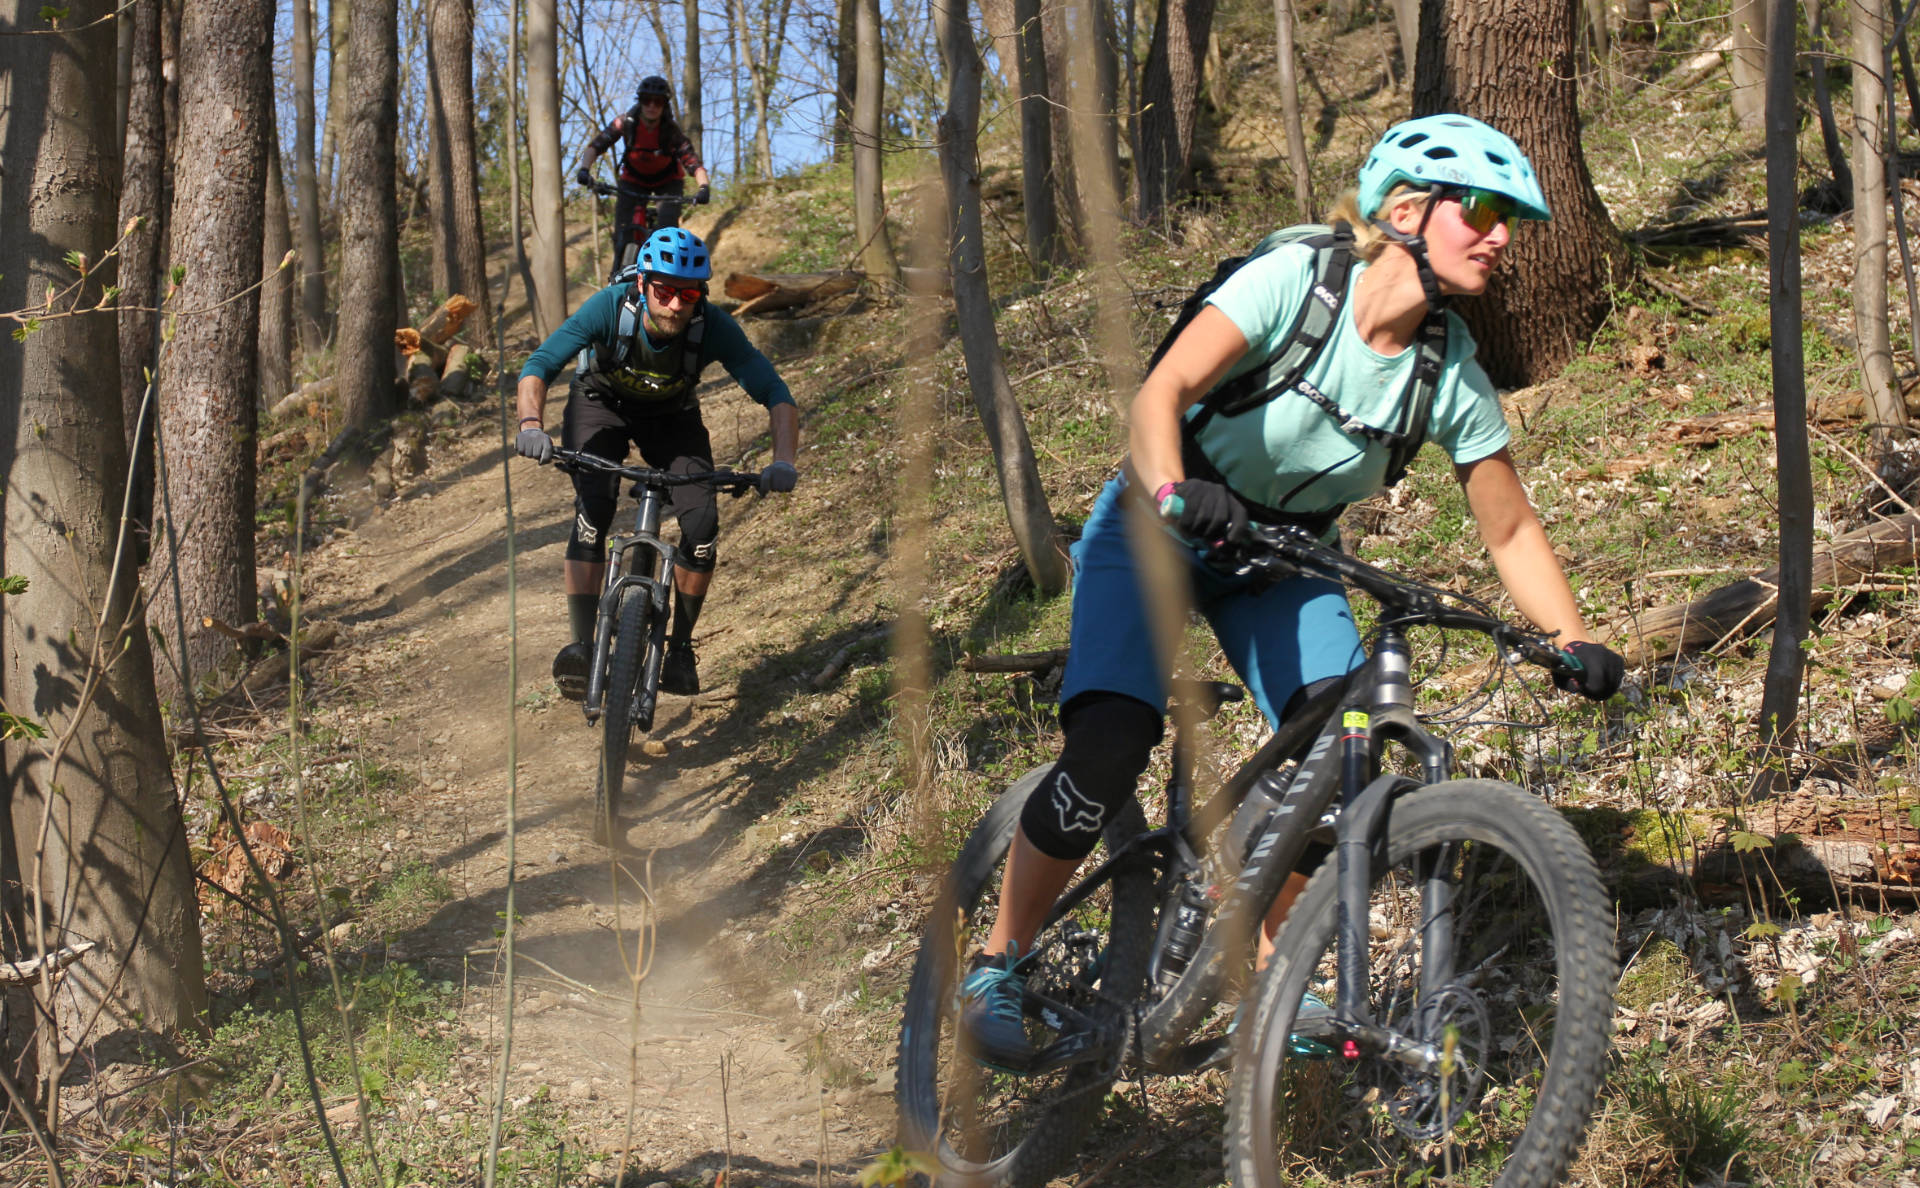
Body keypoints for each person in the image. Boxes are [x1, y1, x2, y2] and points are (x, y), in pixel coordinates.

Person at [956, 114, 1629, 1072]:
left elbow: (1511, 527)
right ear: (1405, 211)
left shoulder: (1448, 375)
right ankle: (1000, 961)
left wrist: (1568, 639)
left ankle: (1272, 972)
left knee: (1335, 744)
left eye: (1509, 219)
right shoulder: (1298, 282)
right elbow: (1160, 393)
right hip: (1159, 519)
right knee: (1112, 739)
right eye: (1480, 210)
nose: (1502, 236)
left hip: (1281, 556)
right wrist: (1170, 489)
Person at [514, 226, 799, 700]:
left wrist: (784, 461)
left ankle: (681, 648)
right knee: (593, 510)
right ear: (643, 285)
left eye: (686, 294)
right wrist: (529, 425)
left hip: (672, 416)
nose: (674, 304)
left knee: (703, 522)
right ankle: (582, 645)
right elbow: (540, 365)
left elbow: (776, 394)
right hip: (599, 404)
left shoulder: (714, 327)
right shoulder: (608, 307)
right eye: (663, 291)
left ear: (699, 296)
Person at [573, 75, 713, 263]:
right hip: (633, 180)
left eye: (658, 102)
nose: (652, 106)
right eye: (647, 100)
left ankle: (666, 273)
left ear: (664, 106)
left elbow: (694, 163)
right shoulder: (625, 123)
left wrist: (704, 188)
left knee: (668, 234)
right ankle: (618, 272)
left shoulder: (671, 131)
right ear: (640, 102)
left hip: (667, 184)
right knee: (622, 232)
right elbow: (595, 147)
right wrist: (584, 170)